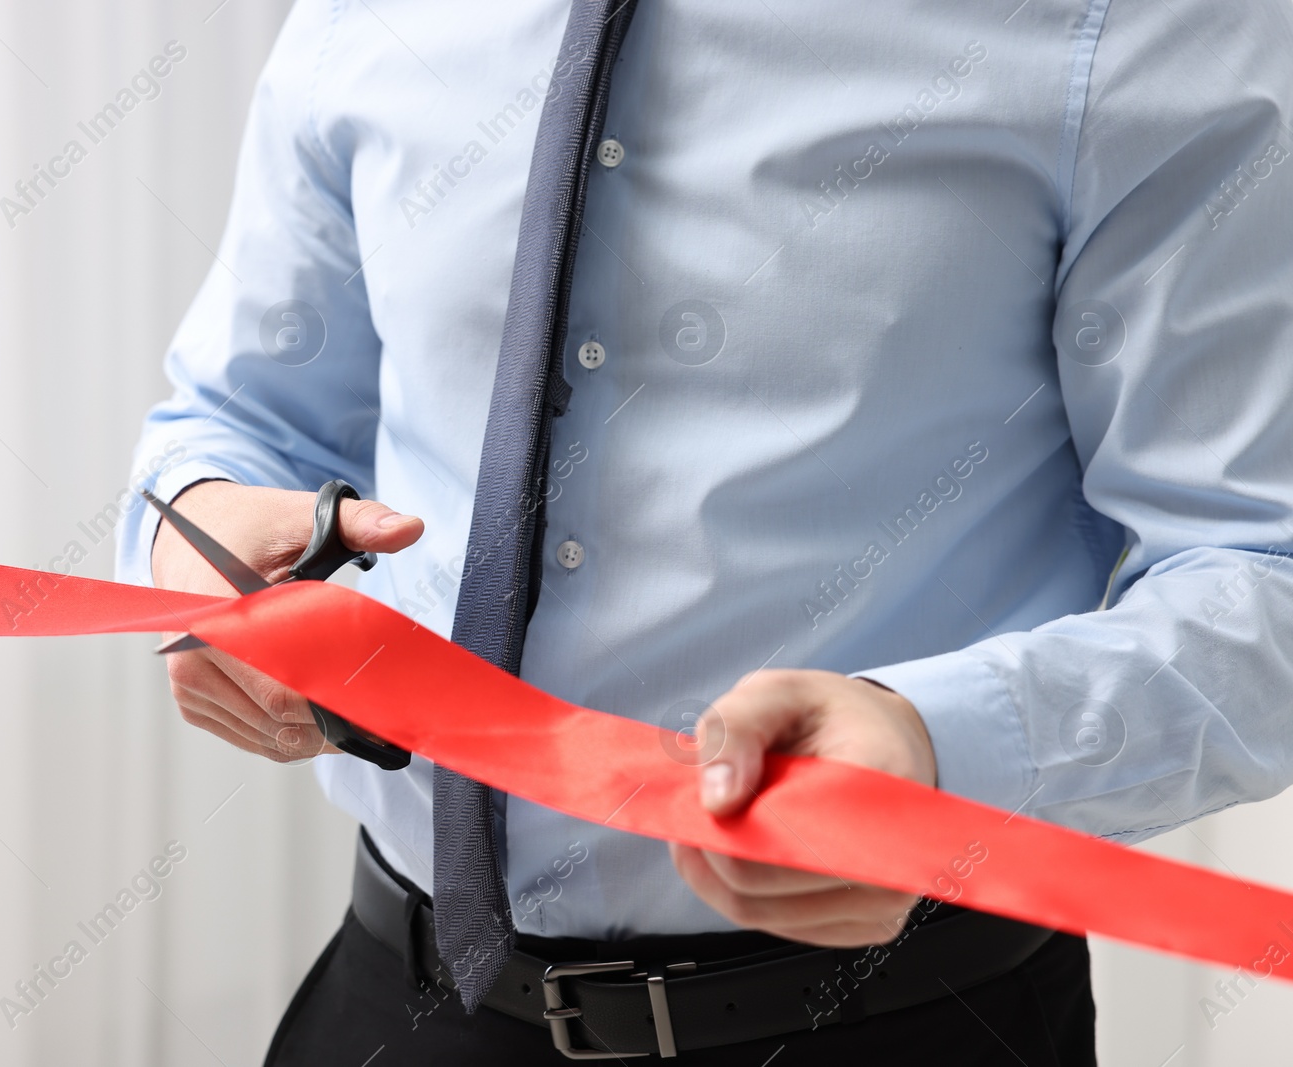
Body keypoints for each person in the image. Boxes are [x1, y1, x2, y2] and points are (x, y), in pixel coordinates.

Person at [115, 0, 1293, 1062]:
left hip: (900, 1021)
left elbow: (1263, 567)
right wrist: (198, 546)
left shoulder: (1143, 23)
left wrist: (942, 749)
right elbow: (230, 420)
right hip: (394, 1003)